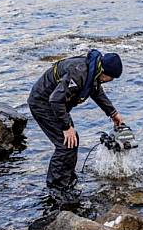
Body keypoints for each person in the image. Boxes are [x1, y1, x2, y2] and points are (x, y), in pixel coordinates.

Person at [27, 49, 124, 202]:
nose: (109, 81)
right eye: (110, 78)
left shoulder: (94, 71)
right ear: (103, 71)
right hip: (43, 103)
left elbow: (97, 92)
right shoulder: (79, 72)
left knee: (73, 141)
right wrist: (66, 127)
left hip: (57, 106)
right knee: (65, 144)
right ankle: (56, 188)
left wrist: (113, 113)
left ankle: (68, 181)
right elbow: (55, 99)